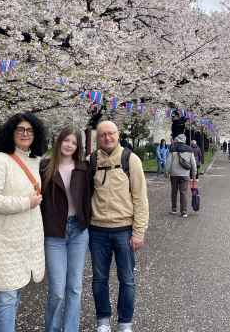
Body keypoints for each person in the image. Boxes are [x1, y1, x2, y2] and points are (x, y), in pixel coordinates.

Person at [0, 112, 47, 332]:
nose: (25, 134)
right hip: (3, 241)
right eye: (20, 130)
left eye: (29, 130)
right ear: (11, 133)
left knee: (15, 296)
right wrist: (26, 202)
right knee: (7, 299)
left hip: (24, 240)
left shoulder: (36, 161)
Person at [89, 120, 149, 332]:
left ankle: (125, 323)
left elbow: (140, 198)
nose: (107, 137)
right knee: (99, 279)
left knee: (127, 279)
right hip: (97, 230)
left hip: (124, 230)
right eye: (103, 134)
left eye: (111, 133)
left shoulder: (130, 160)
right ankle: (103, 321)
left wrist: (139, 231)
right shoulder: (92, 160)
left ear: (118, 134)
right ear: (98, 137)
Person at [40, 126, 91, 332]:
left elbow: (91, 196)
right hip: (54, 234)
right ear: (59, 141)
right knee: (57, 291)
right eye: (66, 140)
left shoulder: (83, 168)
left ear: (78, 146)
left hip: (78, 231)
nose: (69, 145)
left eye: (74, 142)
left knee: (75, 288)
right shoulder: (45, 167)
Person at [166, 134, 196, 218]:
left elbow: (168, 162)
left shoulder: (172, 148)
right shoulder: (189, 149)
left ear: (177, 140)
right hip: (185, 174)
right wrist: (194, 175)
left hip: (174, 174)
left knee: (174, 192)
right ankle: (184, 212)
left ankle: (174, 209)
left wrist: (166, 172)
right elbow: (193, 163)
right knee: (184, 193)